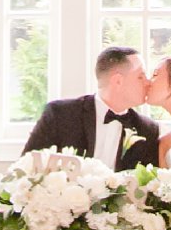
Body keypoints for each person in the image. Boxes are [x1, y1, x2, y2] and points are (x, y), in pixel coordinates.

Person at [21, 46, 162, 171]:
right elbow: (25, 167)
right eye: (140, 77)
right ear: (117, 81)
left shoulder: (147, 129)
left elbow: (144, 188)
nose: (148, 82)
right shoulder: (61, 115)